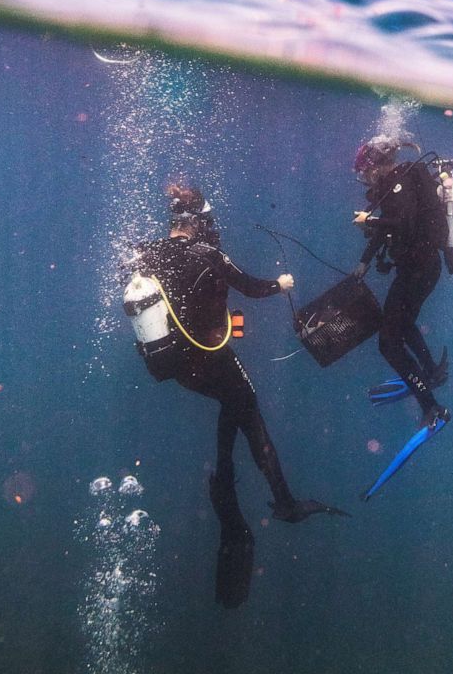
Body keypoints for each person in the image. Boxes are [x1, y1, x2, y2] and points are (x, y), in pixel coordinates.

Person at [125, 184, 346, 609]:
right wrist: (281, 284)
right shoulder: (210, 255)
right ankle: (282, 501)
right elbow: (251, 287)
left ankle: (224, 486)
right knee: (251, 413)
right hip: (211, 358)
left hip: (177, 366)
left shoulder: (147, 253)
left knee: (235, 404)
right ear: (199, 223)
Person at [352, 136, 450, 429]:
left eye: (366, 170)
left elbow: (403, 223)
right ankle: (431, 371)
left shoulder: (400, 183)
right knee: (402, 324)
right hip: (422, 268)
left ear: (378, 165)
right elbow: (392, 227)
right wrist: (364, 261)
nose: (365, 178)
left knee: (389, 343)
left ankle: (431, 407)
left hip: (418, 270)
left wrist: (369, 222)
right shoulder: (398, 183)